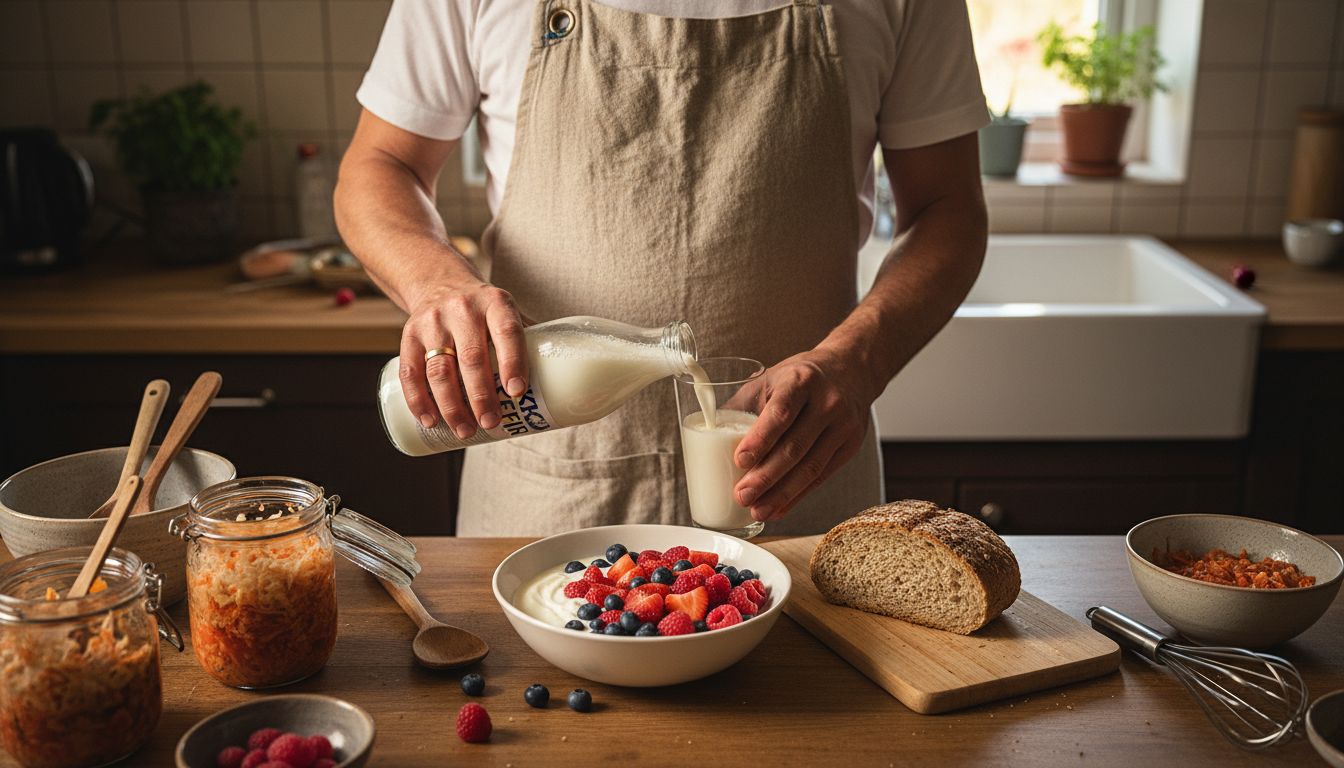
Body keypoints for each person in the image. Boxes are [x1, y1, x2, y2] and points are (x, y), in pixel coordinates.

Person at [335, 0, 989, 536]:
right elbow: (380, 166)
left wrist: (859, 361)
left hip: (797, 496)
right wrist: (439, 283)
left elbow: (948, 208)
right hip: (548, 494)